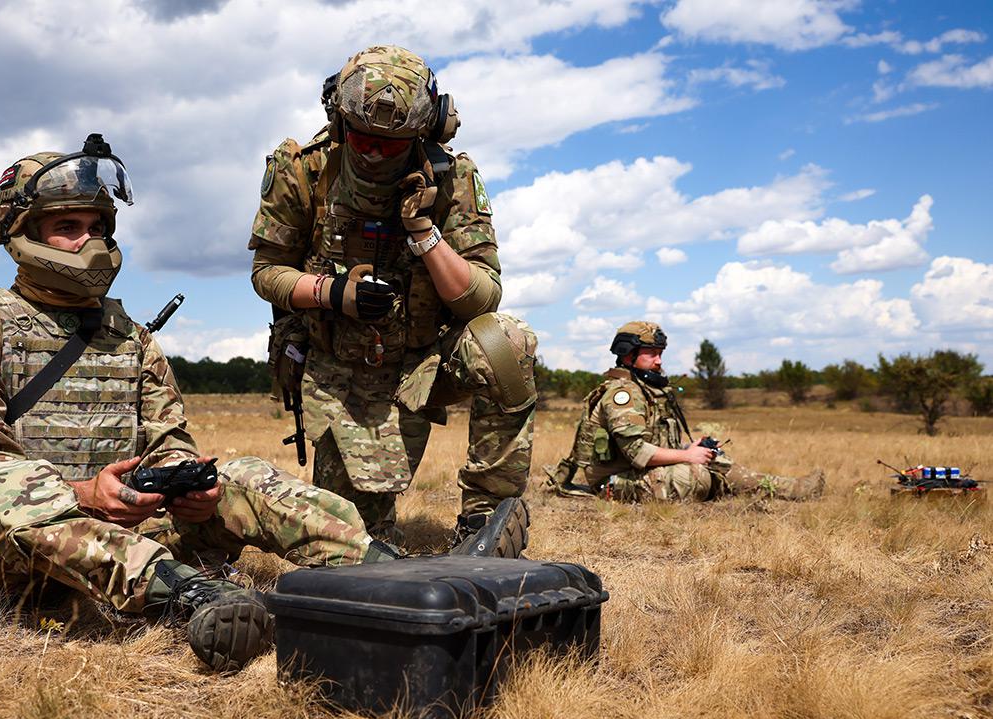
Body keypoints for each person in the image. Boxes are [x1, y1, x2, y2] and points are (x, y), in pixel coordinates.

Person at [0, 134, 409, 674]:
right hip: (6, 554)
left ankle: (394, 574)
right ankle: (191, 598)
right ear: (20, 234)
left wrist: (186, 487)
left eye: (98, 227)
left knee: (241, 476)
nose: (89, 241)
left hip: (127, 530)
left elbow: (168, 440)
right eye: (67, 227)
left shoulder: (129, 335)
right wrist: (84, 493)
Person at [248, 46, 537, 549]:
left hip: (423, 361)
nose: (375, 153)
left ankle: (486, 521)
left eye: (393, 143)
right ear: (338, 121)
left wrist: (423, 233)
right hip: (340, 366)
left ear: (426, 131)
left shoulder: (454, 179)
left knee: (506, 343)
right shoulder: (302, 169)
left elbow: (482, 296)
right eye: (362, 138)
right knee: (355, 542)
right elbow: (267, 271)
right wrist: (331, 292)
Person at [543, 321, 824, 502]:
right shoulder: (624, 394)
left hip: (639, 472)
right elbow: (637, 452)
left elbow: (657, 444)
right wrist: (688, 456)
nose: (658, 361)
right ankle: (769, 490)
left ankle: (791, 489)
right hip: (613, 481)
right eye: (651, 353)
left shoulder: (647, 389)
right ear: (629, 356)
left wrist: (692, 448)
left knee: (714, 459)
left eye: (660, 353)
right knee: (697, 474)